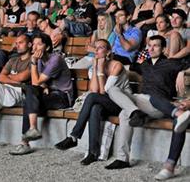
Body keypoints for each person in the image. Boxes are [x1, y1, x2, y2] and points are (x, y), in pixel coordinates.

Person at [105, 35, 190, 170]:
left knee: (125, 111)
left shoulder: (171, 63)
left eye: (155, 45)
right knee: (114, 91)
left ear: (163, 49)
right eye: (149, 45)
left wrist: (182, 71)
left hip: (160, 105)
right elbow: (125, 66)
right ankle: (123, 159)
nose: (151, 48)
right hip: (142, 103)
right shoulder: (144, 65)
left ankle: (134, 112)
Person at [55, 39, 130, 165]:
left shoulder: (117, 65)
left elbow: (103, 93)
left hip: (121, 104)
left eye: (101, 47)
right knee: (95, 108)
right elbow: (94, 90)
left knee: (92, 98)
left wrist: (100, 70)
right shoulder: (94, 66)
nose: (97, 50)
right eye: (96, 48)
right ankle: (93, 153)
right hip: (104, 102)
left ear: (108, 51)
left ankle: (74, 136)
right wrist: (95, 68)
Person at [10, 33, 73, 156]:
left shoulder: (56, 59)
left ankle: (26, 142)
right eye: (34, 44)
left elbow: (36, 82)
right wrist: (43, 85)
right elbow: (37, 84)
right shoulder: (39, 60)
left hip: (62, 97)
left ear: (48, 47)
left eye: (39, 44)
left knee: (29, 98)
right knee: (29, 95)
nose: (35, 47)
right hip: (49, 94)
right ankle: (30, 132)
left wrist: (33, 63)